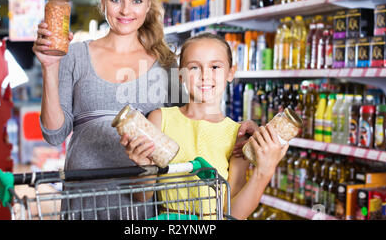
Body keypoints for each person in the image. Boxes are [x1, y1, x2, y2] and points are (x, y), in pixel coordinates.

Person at [33, 0, 256, 220]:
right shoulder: (74, 55)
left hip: (144, 203)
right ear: (103, 1)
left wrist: (237, 130)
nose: (126, 10)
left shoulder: (166, 63)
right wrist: (50, 67)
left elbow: (194, 122)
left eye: (136, 0)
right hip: (85, 197)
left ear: (148, 5)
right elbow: (54, 134)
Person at [121, 33, 288, 220]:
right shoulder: (160, 119)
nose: (205, 76)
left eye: (215, 66)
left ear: (231, 72)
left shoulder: (238, 135)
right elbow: (141, 195)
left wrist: (265, 171)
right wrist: (144, 166)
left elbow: (234, 213)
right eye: (194, 67)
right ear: (180, 75)